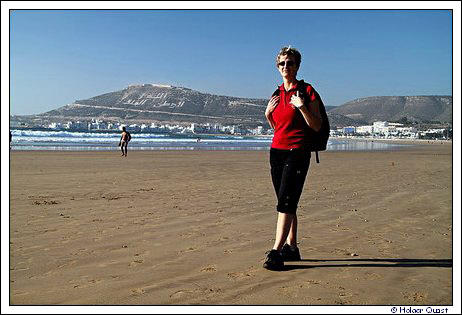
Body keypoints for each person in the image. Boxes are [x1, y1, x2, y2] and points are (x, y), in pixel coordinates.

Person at [263, 46, 323, 270]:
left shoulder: (306, 91)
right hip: (276, 152)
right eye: (282, 64)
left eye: (290, 63)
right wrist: (268, 115)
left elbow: (316, 125)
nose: (286, 67)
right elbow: (278, 128)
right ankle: (293, 248)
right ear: (277, 67)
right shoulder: (276, 93)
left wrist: (303, 108)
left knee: (285, 203)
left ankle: (276, 252)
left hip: (297, 151)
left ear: (297, 66)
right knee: (287, 201)